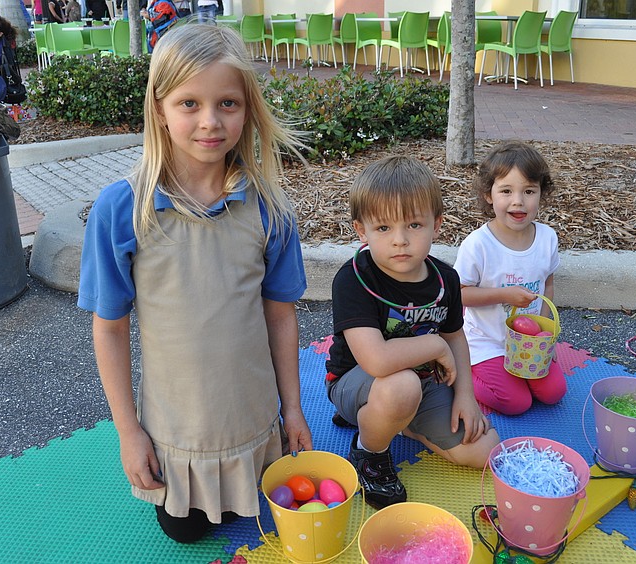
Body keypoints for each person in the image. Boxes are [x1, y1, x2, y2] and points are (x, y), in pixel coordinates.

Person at [77, 24, 312, 543]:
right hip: (176, 430)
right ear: (159, 108)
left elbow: (279, 315)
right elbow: (110, 328)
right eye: (189, 103)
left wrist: (293, 409)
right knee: (183, 530)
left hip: (252, 417)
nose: (210, 121)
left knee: (255, 508)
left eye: (228, 103)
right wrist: (128, 434)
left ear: (247, 109)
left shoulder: (269, 208)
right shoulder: (122, 209)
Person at [325, 155, 500, 509]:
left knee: (486, 450)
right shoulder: (354, 279)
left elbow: (455, 336)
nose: (400, 240)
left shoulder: (445, 279)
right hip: (357, 382)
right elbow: (377, 361)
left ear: (437, 225)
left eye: (414, 225)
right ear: (362, 231)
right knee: (401, 386)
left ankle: (401, 422)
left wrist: (466, 396)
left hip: (424, 383)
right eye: (383, 228)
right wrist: (434, 345)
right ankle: (369, 453)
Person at [453, 141, 568, 417]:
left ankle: (520, 373)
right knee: (516, 403)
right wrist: (505, 295)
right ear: (489, 195)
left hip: (527, 342)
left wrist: (545, 337)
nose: (518, 201)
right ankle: (461, 373)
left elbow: (548, 285)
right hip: (487, 342)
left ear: (541, 194)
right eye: (506, 191)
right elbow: (458, 293)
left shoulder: (547, 239)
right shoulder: (479, 245)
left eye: (529, 191)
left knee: (553, 393)